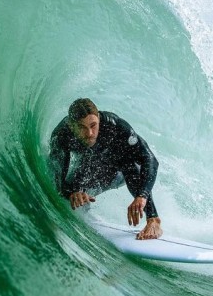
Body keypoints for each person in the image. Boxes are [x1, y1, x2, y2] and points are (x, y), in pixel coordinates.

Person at [49, 98, 163, 240]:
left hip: (118, 172)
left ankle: (153, 220)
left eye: (93, 125)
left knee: (129, 162)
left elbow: (150, 159)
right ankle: (82, 212)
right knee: (75, 186)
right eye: (82, 127)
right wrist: (70, 193)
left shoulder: (115, 126)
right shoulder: (62, 135)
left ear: (99, 120)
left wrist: (142, 196)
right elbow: (57, 174)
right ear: (72, 126)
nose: (90, 133)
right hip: (91, 168)